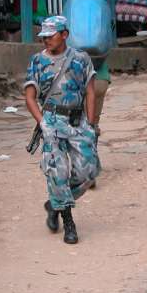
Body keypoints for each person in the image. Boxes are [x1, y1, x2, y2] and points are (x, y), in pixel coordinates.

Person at [23, 15, 99, 244]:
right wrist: (42, 123)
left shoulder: (81, 59)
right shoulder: (37, 61)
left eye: (51, 35)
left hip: (78, 121)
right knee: (58, 172)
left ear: (64, 34)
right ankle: (68, 222)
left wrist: (92, 125)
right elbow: (30, 97)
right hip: (52, 121)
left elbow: (91, 91)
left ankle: (54, 204)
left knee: (89, 172)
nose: (46, 39)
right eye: (43, 36)